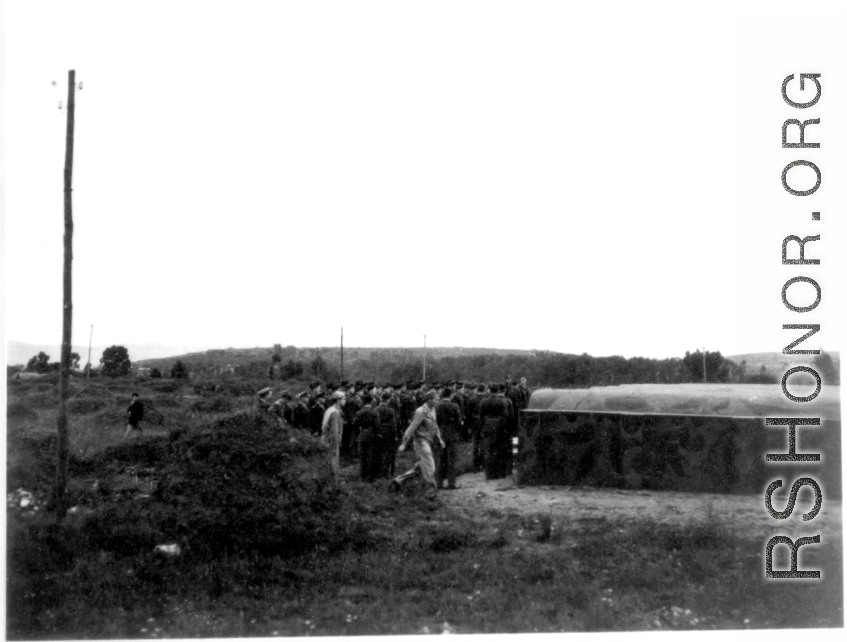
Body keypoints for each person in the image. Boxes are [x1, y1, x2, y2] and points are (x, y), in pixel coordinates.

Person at [389, 390, 445, 499]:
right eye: (436, 399)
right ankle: (431, 494)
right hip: (421, 442)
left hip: (429, 442)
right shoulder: (421, 412)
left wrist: (440, 439)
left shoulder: (433, 409)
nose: (438, 400)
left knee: (421, 467)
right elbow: (411, 428)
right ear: (429, 399)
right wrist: (403, 444)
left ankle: (398, 481)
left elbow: (435, 426)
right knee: (430, 467)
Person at [435, 387, 462, 490]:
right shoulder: (455, 406)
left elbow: (435, 421)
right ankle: (451, 483)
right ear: (451, 395)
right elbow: (458, 422)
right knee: (452, 460)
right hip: (452, 434)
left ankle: (439, 483)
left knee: (441, 459)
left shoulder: (437, 406)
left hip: (440, 434)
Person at [321, 391, 346, 478]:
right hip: (331, 442)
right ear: (338, 400)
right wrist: (335, 446)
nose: (345, 401)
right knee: (333, 463)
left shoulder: (330, 409)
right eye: (343, 399)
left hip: (325, 440)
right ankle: (335, 485)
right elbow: (334, 432)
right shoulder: (335, 413)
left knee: (328, 463)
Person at [375, 392, 398, 477]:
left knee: (379, 452)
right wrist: (395, 435)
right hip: (388, 433)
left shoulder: (376, 409)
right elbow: (393, 424)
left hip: (378, 432)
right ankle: (387, 472)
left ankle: (379, 471)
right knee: (389, 453)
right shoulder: (391, 410)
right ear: (388, 400)